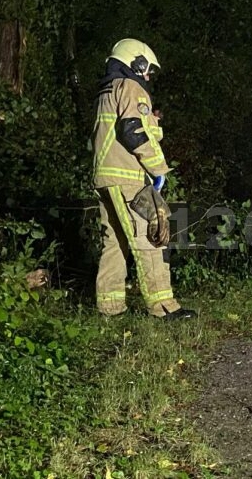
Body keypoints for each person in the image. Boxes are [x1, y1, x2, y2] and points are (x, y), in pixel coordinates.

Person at [91, 38, 195, 320]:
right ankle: (163, 307)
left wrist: (154, 125)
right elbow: (132, 131)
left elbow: (126, 129)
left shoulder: (108, 90)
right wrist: (159, 168)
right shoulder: (131, 86)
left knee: (114, 243)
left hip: (105, 177)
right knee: (150, 238)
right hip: (127, 178)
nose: (149, 76)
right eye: (147, 70)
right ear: (136, 63)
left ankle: (110, 308)